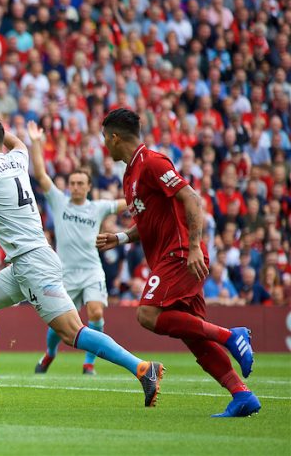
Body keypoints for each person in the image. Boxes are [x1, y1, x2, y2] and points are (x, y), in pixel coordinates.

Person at [0, 103, 163, 407]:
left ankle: (143, 368)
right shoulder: (16, 159)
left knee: (71, 332)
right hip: (26, 261)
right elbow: (19, 143)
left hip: (32, 262)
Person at [96, 108, 259, 417]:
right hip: (170, 254)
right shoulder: (129, 173)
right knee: (193, 335)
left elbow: (192, 199)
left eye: (105, 137)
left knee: (147, 314)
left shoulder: (153, 162)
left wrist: (195, 247)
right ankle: (242, 394)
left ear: (116, 137)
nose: (104, 144)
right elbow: (148, 223)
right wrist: (119, 238)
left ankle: (231, 335)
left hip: (181, 253)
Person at [27, 121, 127, 375]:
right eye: (72, 183)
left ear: (89, 187)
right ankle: (50, 354)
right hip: (65, 272)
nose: (75, 187)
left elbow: (126, 203)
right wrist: (36, 142)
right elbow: (40, 174)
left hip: (92, 269)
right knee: (58, 324)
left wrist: (151, 193)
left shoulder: (98, 207)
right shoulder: (60, 202)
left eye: (81, 183)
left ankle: (89, 363)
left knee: (95, 313)